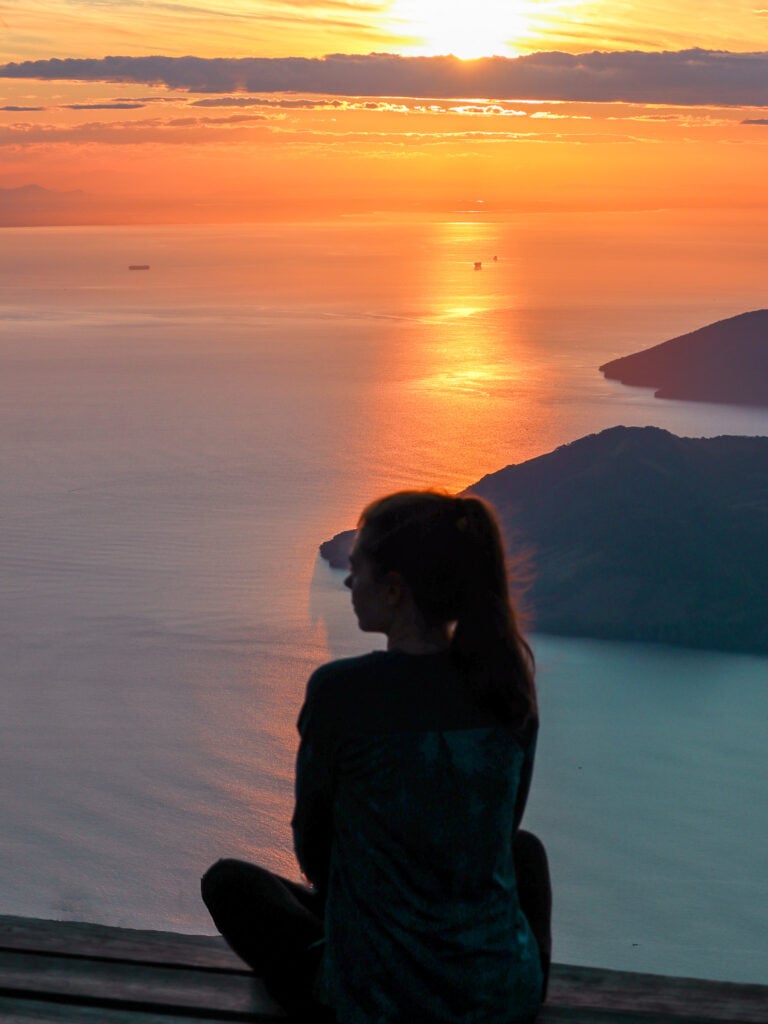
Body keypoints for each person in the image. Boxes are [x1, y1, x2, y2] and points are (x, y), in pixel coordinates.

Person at [202, 490, 551, 1023]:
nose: (346, 581)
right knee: (525, 853)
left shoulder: (341, 692)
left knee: (230, 884)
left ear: (394, 589)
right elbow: (501, 839)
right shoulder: (507, 688)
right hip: (500, 995)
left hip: (374, 998)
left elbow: (315, 852)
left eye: (357, 568)